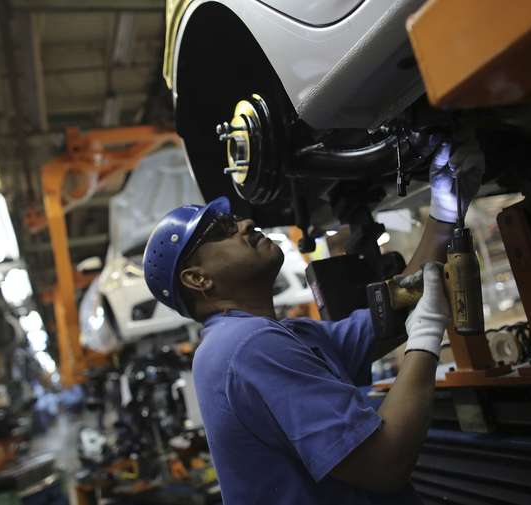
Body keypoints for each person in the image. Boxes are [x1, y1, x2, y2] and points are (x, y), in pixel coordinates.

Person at [142, 135, 484, 504]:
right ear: (198, 279)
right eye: (223, 232)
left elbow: (397, 307)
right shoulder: (248, 347)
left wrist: (444, 212)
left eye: (233, 220)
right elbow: (384, 465)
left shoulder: (282, 336)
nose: (245, 223)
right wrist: (427, 336)